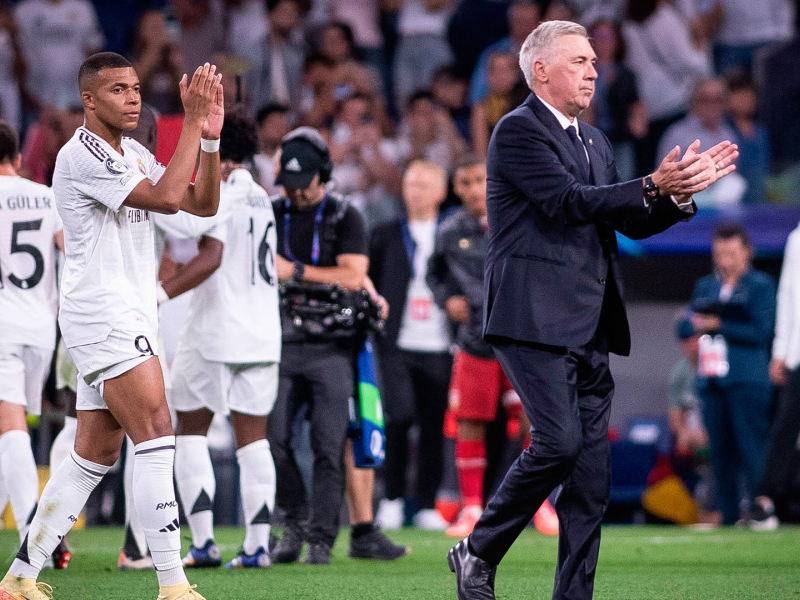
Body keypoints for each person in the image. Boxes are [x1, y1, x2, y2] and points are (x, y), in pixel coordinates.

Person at [447, 20, 738, 600]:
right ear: (540, 71)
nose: (593, 70)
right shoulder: (517, 132)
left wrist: (675, 195)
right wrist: (651, 182)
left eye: (593, 61)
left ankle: (573, 594)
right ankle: (478, 549)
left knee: (591, 477)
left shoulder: (596, 141)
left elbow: (624, 218)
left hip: (590, 321)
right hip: (531, 318)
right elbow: (567, 202)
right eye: (579, 61)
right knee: (558, 443)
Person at [0, 52, 223, 600]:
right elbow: (169, 196)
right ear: (89, 100)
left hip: (122, 311)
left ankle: (19, 578)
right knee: (156, 433)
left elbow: (199, 201)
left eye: (136, 88)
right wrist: (191, 123)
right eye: (119, 90)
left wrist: (210, 141)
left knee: (93, 454)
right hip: (105, 312)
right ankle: (172, 584)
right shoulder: (83, 153)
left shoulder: (133, 151)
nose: (133, 98)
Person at [268, 127, 404, 565]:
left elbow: (351, 274)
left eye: (302, 181)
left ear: (322, 174)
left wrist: (296, 271)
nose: (294, 191)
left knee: (330, 443)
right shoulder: (272, 212)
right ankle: (293, 521)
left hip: (333, 346)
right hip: (281, 342)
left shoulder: (346, 216)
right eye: (286, 182)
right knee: (274, 439)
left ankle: (323, 539)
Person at [164, 111, 281, 571]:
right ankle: (256, 547)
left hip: (215, 330)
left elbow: (208, 250)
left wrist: (159, 294)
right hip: (261, 334)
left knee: (189, 433)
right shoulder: (263, 199)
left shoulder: (226, 192)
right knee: (253, 442)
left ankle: (205, 543)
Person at [425, 154, 559, 539]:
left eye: (479, 180)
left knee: (534, 421)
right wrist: (447, 297)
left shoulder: (520, 217)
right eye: (464, 183)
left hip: (522, 340)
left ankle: (540, 503)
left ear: (494, 180)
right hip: (475, 342)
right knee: (470, 421)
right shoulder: (450, 230)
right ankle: (470, 509)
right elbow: (434, 275)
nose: (472, 190)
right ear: (455, 188)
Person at [369, 160, 453, 531]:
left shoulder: (452, 232)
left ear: (440, 191)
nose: (414, 190)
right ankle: (391, 498)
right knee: (398, 419)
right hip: (396, 343)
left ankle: (428, 504)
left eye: (423, 183)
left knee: (434, 425)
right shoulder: (386, 234)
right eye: (410, 183)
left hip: (441, 343)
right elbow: (367, 278)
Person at [681, 224, 775, 527]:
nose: (726, 259)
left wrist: (718, 324)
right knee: (719, 453)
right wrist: (692, 325)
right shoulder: (705, 285)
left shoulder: (760, 285)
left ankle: (762, 509)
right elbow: (686, 327)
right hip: (711, 378)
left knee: (751, 447)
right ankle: (729, 515)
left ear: (747, 251)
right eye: (720, 253)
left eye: (732, 253)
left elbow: (762, 331)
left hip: (747, 379)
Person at [0, 120, 63, 550]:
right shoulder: (47, 197)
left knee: (11, 427)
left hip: (2, 325)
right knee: (11, 429)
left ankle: (32, 533)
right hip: (41, 327)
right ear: (18, 159)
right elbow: (70, 249)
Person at [754, 220, 800, 530]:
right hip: (798, 355)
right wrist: (781, 351)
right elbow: (787, 296)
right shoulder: (797, 237)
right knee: (785, 427)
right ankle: (767, 502)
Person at [13, 0, 104, 110]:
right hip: (36, 96)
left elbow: (93, 51)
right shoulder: (23, 10)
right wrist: (23, 93)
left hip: (75, 96)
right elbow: (16, 55)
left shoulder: (82, 8)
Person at [254, 103, 290, 195]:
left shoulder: (291, 160)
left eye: (282, 123)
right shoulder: (252, 162)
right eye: (274, 124)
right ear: (260, 129)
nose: (279, 128)